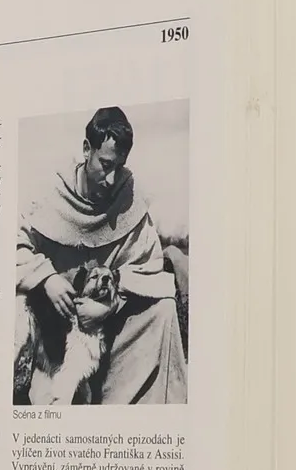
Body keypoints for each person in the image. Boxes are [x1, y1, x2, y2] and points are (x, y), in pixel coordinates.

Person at [15, 106, 188, 406]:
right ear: (87, 149)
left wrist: (110, 306)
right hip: (54, 323)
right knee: (17, 304)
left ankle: (130, 405)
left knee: (163, 310)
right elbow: (15, 245)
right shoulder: (51, 192)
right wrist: (46, 278)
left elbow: (149, 268)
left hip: (108, 323)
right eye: (106, 165)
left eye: (119, 167)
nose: (111, 179)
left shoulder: (129, 198)